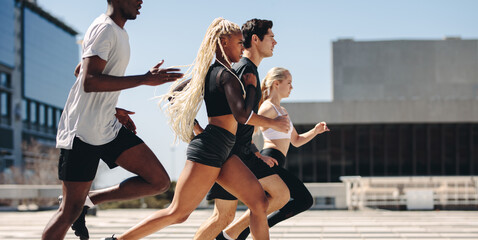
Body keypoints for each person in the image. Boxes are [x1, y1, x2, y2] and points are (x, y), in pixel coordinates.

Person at [102, 17, 290, 240]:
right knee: (178, 213)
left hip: (224, 150)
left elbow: (176, 93)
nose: (242, 48)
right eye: (239, 43)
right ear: (223, 42)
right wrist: (250, 88)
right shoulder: (225, 75)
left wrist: (199, 128)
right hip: (209, 150)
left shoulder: (212, 73)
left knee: (259, 203)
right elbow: (242, 116)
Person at [41, 0, 183, 239]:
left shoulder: (118, 32)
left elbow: (80, 71)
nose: (141, 2)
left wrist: (111, 107)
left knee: (158, 181)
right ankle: (78, 205)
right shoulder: (105, 28)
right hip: (82, 131)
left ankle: (90, 200)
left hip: (107, 126)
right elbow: (89, 81)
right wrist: (144, 79)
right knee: (68, 211)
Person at [194, 18, 290, 240]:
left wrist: (255, 151)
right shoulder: (243, 69)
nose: (275, 42)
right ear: (255, 39)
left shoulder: (247, 68)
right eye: (272, 37)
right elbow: (239, 116)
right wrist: (273, 125)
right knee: (278, 195)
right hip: (233, 153)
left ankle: (228, 235)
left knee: (223, 216)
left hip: (237, 151)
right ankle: (230, 235)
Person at [224, 67, 330, 240]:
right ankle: (239, 232)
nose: (292, 87)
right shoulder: (268, 108)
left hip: (279, 161)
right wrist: (260, 156)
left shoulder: (282, 111)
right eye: (289, 83)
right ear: (276, 83)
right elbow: (244, 134)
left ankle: (234, 235)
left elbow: (296, 140)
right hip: (269, 159)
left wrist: (315, 131)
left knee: (265, 205)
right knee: (304, 200)